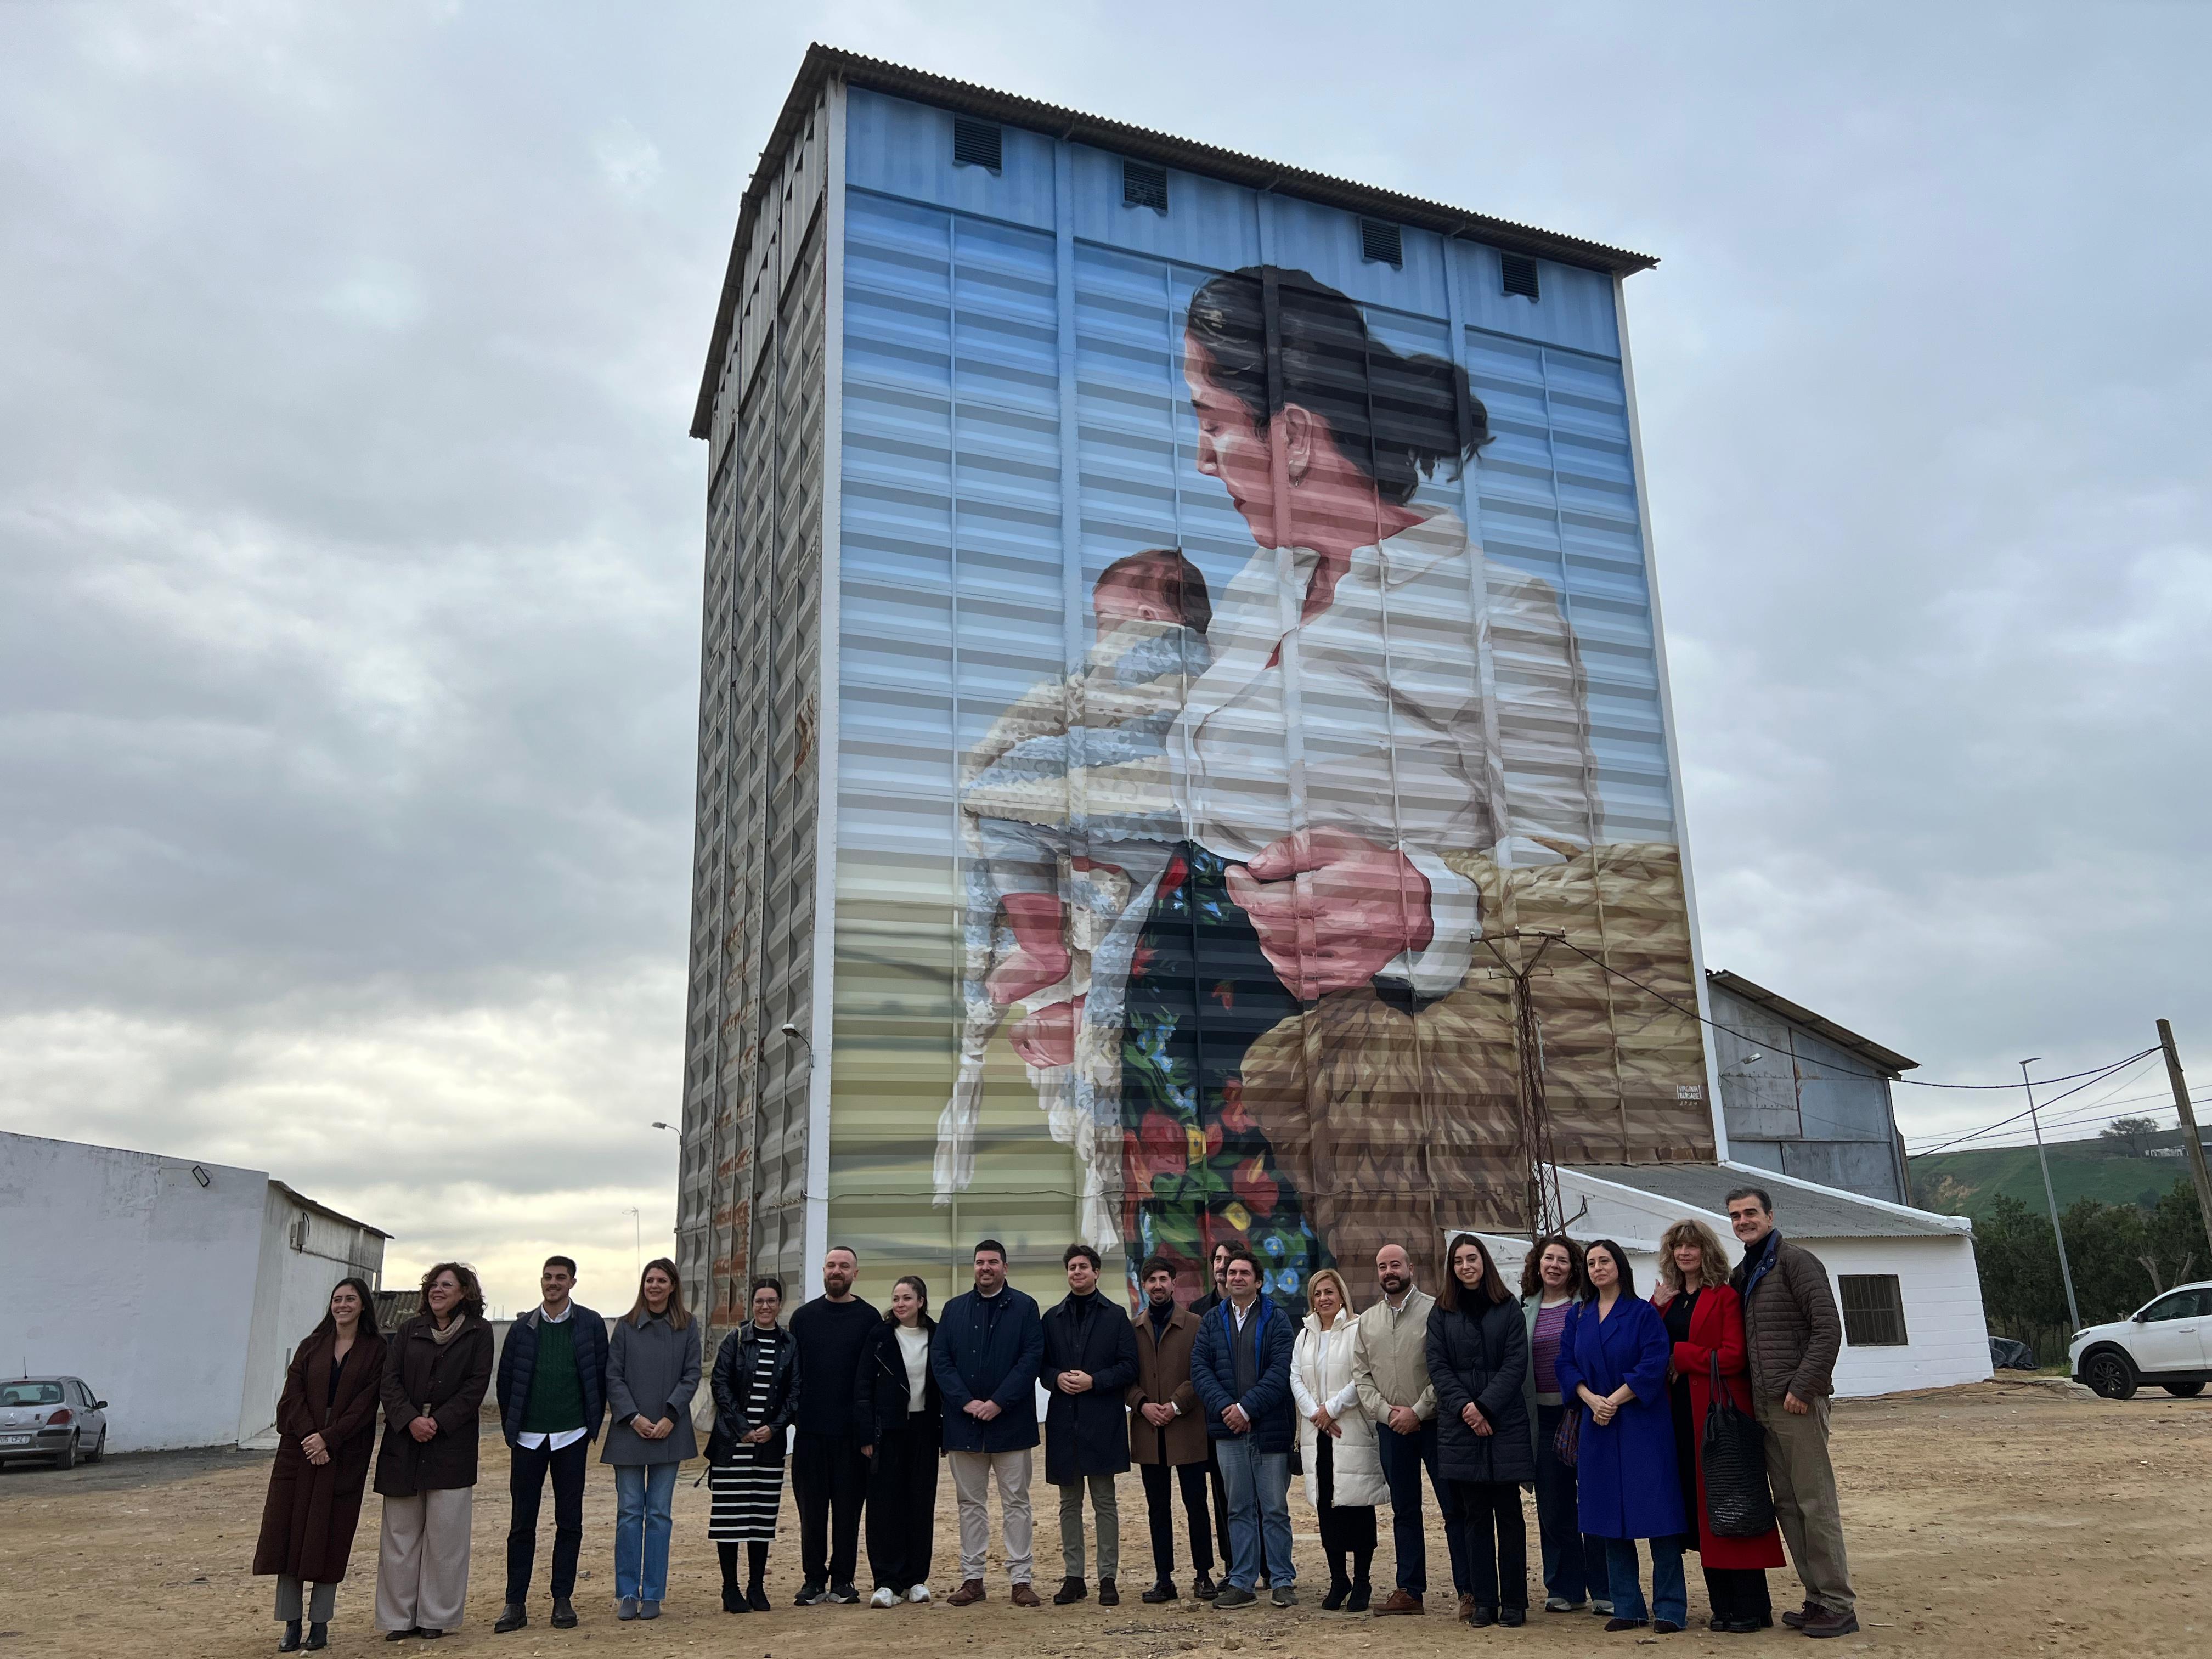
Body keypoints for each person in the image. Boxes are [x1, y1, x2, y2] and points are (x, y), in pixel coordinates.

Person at [1113, 265, 1609, 1301]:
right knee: (1198, 1320)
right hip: (1185, 1022)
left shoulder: (1497, 615)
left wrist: (1429, 897)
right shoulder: (1263, 585)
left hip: (1334, 1041)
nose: (1201, 459)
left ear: (1293, 432)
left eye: (1212, 420)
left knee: (1330, 1317)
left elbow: (1578, 876)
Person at [937, 549, 1215, 1256]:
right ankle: (1076, 997)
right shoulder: (1200, 670)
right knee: (1124, 919)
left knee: (1000, 797)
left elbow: (1101, 718)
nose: (1099, 634)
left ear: (1150, 615)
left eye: (1104, 620)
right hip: (1161, 845)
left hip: (1150, 797)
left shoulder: (1157, 656)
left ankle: (1043, 949)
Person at [1727, 1186, 1855, 1638]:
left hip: (1796, 1403)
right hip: (1763, 1406)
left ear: (1770, 1215)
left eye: (1750, 1213)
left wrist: (1804, 1387)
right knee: (1788, 1506)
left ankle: (1839, 1602)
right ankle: (1816, 1598)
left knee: (1815, 1503)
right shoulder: (1743, 1272)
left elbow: (1828, 1329)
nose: (1743, 1221)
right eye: (1736, 1216)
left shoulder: (1796, 1261)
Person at [1651, 1219, 1783, 1634]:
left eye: (1692, 1246)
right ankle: (1722, 1605)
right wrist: (1655, 1308)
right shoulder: (1670, 1301)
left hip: (1718, 1416)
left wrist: (1684, 1355)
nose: (1685, 1253)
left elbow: (1733, 1357)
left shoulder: (1724, 1296)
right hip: (1680, 1419)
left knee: (1731, 1506)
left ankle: (1752, 1605)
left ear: (1707, 1251)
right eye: (1678, 1248)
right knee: (1703, 1515)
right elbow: (1650, 1347)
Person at [1555, 1240, 1685, 1634]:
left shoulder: (1643, 1313)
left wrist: (1612, 1399)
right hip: (1597, 1425)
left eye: (1604, 1260)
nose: (1597, 1268)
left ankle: (1670, 1608)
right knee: (1608, 1516)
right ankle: (1627, 1606)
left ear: (1620, 1266)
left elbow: (1654, 1361)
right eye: (1591, 1263)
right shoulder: (1578, 1316)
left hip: (1642, 1425)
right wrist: (1589, 1398)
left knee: (1658, 1517)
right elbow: (1565, 1363)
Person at [253, 1277, 387, 1653]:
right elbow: (291, 1395)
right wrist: (311, 1436)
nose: (342, 1305)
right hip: (299, 1448)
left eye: (350, 1299)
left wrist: (329, 1438)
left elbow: (367, 1403)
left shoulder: (377, 1350)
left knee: (330, 1536)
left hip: (344, 1451)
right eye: (337, 1299)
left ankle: (320, 1625)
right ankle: (291, 1624)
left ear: (363, 1306)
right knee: (288, 1534)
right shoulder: (311, 1346)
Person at [374, 1261, 495, 1640]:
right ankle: (398, 1619)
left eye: (447, 1285)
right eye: (433, 1285)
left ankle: (435, 1617)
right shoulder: (409, 1330)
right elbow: (389, 1381)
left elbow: (476, 1386)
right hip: (404, 1442)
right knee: (400, 1538)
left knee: (446, 1540)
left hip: (451, 1444)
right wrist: (410, 1419)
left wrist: (438, 1423)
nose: (437, 1291)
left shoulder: (479, 1332)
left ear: (464, 1293)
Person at [493, 1255, 611, 1634]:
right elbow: (507, 1381)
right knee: (522, 1524)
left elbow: (600, 1377)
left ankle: (563, 1600)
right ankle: (515, 1604)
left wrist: (591, 1425)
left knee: (569, 1522)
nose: (553, 1283)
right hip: (528, 1438)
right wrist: (513, 1430)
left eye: (561, 1278)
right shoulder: (522, 1327)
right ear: (541, 1282)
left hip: (571, 1436)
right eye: (548, 1277)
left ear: (573, 1283)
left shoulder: (591, 1324)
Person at [1426, 1235, 1533, 1628]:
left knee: (1509, 1515)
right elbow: (1438, 1367)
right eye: (1459, 1261)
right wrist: (1468, 1410)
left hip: (1503, 1423)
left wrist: (1485, 1406)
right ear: (1452, 1268)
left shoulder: (1508, 1309)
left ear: (1484, 1262)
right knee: (1474, 1517)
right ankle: (1485, 1601)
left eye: (1472, 1258)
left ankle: (1516, 1602)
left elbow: (1515, 1363)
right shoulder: (1441, 1313)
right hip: (1462, 1428)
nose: (1466, 1266)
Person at [934, 1239, 1046, 1607]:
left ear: (1005, 1267)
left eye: (993, 1262)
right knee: (970, 1504)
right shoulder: (953, 1310)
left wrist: (999, 1402)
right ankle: (973, 1579)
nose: (986, 1268)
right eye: (980, 1262)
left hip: (1010, 1423)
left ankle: (1021, 1579)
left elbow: (1031, 1359)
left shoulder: (1026, 1308)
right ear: (974, 1266)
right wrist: (966, 1402)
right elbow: (942, 1362)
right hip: (964, 1425)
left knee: (1016, 1502)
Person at [1190, 1248, 1296, 1610]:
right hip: (1229, 1431)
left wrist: (1248, 1407)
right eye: (1232, 1272)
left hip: (1270, 1430)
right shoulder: (1210, 1321)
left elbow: (1281, 1371)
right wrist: (1227, 1409)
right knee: (1237, 1508)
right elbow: (1200, 1370)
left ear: (1259, 1281)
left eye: (1244, 1273)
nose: (1236, 1277)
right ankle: (1242, 1581)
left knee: (1274, 1508)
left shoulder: (1278, 1319)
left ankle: (1282, 1580)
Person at [1351, 1241, 1452, 1616]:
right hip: (1392, 1428)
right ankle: (1410, 1590)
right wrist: (1387, 1413)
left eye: (1395, 1265)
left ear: (1411, 1268)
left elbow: (1444, 1370)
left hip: (1435, 1424)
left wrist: (1419, 1410)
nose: (1389, 1272)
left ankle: (1471, 1591)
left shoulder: (1435, 1312)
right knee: (1405, 1510)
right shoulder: (1368, 1321)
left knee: (1453, 1507)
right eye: (1382, 1267)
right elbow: (1361, 1375)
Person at [602, 1258, 701, 1622]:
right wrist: (634, 1417)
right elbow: (613, 1377)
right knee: (629, 1513)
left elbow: (692, 1374)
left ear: (673, 1286)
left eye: (661, 1280)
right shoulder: (625, 1328)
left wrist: (670, 1416)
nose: (654, 1286)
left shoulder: (688, 1326)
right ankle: (628, 1591)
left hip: (669, 1433)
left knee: (659, 1514)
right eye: (649, 1280)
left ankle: (654, 1594)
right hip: (631, 1432)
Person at [1041, 1244, 1141, 1606]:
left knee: (1104, 1501)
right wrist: (1055, 1379)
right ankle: (1074, 1577)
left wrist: (1094, 1381)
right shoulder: (1051, 1318)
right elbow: (1042, 1367)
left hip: (1103, 1422)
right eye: (1072, 1267)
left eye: (1084, 1266)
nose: (1077, 1272)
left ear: (1097, 1272)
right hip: (1064, 1422)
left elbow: (1130, 1367)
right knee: (1069, 1503)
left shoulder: (1115, 1317)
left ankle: (1107, 1578)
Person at [1519, 1234, 1610, 1616]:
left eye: (1562, 1260)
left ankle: (1605, 1587)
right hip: (1542, 1416)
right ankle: (1564, 1586)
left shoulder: (1588, 1307)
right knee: (1553, 1506)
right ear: (1537, 1264)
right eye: (1547, 1258)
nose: (1554, 1265)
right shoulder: (1524, 1308)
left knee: (1595, 1501)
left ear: (1574, 1267)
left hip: (1584, 1412)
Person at [787, 1245, 879, 1605]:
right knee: (811, 1511)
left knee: (847, 1510)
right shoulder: (803, 1318)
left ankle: (843, 1579)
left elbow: (872, 1379)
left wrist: (868, 1430)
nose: (836, 1271)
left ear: (856, 1273)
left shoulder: (869, 1318)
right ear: (823, 1271)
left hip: (852, 1435)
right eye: (831, 1265)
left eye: (844, 1266)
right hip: (810, 1432)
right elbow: (792, 1375)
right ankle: (813, 1579)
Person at [707, 1276, 799, 1614]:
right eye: (759, 1301)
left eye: (771, 1301)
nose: (765, 1307)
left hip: (769, 1446)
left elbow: (795, 1393)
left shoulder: (790, 1344)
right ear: (752, 1305)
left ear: (780, 1304)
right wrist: (742, 1427)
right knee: (730, 1519)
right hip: (733, 1444)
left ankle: (757, 1587)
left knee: (761, 1519)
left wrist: (774, 1428)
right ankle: (730, 1589)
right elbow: (721, 1385)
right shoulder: (734, 1341)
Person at [1291, 1267, 1382, 1611]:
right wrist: (1316, 1413)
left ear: (1341, 1294)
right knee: (1327, 1509)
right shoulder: (1305, 1335)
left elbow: (1362, 1376)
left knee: (1358, 1507)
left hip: (1350, 1430)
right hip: (1318, 1433)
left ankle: (1362, 1582)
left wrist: (1331, 1408)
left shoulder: (1357, 1330)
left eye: (1329, 1292)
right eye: (1317, 1293)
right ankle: (1338, 1579)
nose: (1323, 1299)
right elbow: (1295, 1378)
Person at [1126, 1255, 1215, 1603]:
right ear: (1144, 1285)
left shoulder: (1196, 1324)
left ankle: (1204, 1575)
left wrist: (1177, 1404)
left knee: (1197, 1504)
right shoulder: (1133, 1329)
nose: (1158, 1285)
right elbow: (1125, 1376)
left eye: (1164, 1279)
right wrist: (1143, 1403)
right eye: (1152, 1280)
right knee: (1157, 1507)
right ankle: (1164, 1578)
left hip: (1188, 1428)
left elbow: (1204, 1371)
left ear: (1174, 1283)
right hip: (1150, 1431)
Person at [856, 1274, 941, 1607]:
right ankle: (886, 1581)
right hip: (886, 1430)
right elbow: (862, 1387)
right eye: (896, 1299)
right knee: (884, 1505)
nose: (900, 1305)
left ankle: (915, 1579)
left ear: (921, 1301)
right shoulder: (879, 1337)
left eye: (907, 1298)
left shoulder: (936, 1335)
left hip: (924, 1429)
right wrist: (866, 1434)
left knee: (920, 1503)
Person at [1192, 1240, 1235, 1592]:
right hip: (1215, 1419)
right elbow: (1199, 1368)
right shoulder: (1198, 1311)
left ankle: (1267, 1565)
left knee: (1259, 1499)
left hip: (1256, 1416)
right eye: (1218, 1259)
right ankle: (1232, 1564)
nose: (1222, 1265)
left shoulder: (1264, 1311)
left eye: (1229, 1260)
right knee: (1222, 1497)